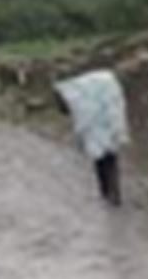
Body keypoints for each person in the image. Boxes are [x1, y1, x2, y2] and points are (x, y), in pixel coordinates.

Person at [54, 69, 129, 206]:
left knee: (107, 157)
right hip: (101, 114)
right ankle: (108, 192)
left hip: (105, 111)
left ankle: (112, 194)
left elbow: (81, 123)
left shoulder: (78, 95)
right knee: (102, 157)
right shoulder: (78, 93)